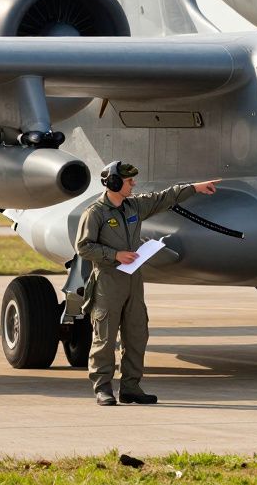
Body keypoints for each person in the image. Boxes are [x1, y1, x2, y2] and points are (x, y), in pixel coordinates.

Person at [74, 161, 219, 406]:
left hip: (133, 280)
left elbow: (164, 198)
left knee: (137, 334)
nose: (134, 185)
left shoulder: (134, 207)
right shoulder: (95, 212)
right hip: (108, 281)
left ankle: (131, 387)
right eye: (129, 181)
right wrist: (115, 255)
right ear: (114, 183)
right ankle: (103, 387)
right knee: (105, 337)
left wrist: (195, 187)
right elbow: (83, 247)